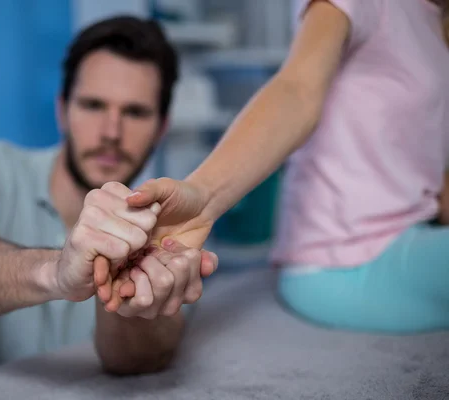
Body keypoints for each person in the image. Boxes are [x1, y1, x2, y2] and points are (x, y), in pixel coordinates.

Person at [0, 16, 217, 400]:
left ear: (161, 128)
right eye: (93, 105)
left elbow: (135, 362)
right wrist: (56, 271)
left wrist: (132, 295)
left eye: (135, 112)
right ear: (63, 110)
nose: (111, 132)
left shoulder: (168, 234)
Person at [121, 0, 449, 333]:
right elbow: (297, 88)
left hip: (415, 235)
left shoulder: (434, 21)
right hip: (344, 259)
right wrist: (203, 200)